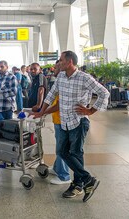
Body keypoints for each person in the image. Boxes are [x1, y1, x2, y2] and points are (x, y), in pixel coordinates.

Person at [35, 50, 109, 202]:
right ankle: (89, 179)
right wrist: (42, 112)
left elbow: (104, 93)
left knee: (75, 153)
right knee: (62, 151)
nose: (58, 63)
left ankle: (78, 184)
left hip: (79, 121)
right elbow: (51, 95)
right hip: (64, 121)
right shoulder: (61, 76)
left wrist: (91, 110)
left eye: (61, 60)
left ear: (69, 62)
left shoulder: (84, 78)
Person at [31, 60, 71, 185]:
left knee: (63, 147)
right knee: (59, 145)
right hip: (57, 118)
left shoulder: (66, 81)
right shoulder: (60, 79)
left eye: (58, 66)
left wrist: (42, 111)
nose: (54, 68)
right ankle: (57, 168)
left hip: (64, 119)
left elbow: (59, 104)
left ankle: (64, 176)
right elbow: (50, 97)